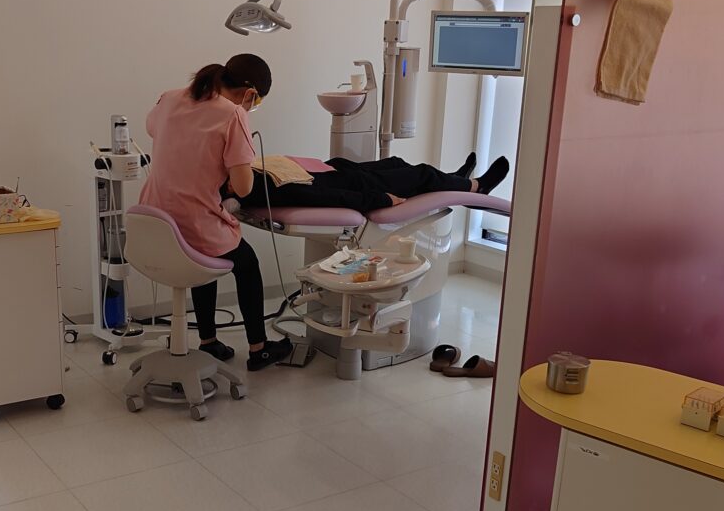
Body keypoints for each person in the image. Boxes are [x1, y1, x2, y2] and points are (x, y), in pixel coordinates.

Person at [140, 53, 292, 371]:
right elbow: (244, 188)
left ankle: (208, 341)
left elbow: (154, 129)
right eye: (256, 102)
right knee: (246, 263)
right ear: (250, 94)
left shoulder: (169, 98)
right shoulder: (233, 114)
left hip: (153, 224)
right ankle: (259, 349)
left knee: (200, 253)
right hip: (193, 225)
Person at [237, 151, 510, 215]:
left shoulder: (240, 176)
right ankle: (477, 188)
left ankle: (454, 181)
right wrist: (380, 199)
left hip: (337, 172)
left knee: (396, 162)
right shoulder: (257, 188)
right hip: (357, 186)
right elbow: (323, 197)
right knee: (422, 174)